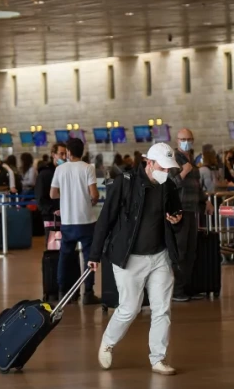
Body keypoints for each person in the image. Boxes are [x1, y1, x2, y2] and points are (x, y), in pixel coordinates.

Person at [89, 143, 183, 376]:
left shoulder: (167, 185)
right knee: (129, 308)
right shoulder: (126, 182)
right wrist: (94, 254)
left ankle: (158, 359)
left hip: (159, 256)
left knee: (162, 309)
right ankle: (108, 342)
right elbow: (106, 219)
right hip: (129, 257)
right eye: (162, 167)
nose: (166, 172)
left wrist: (176, 219)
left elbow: (176, 211)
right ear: (149, 163)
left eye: (169, 169)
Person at [50, 138, 100, 304]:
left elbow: (53, 194)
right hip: (86, 220)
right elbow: (94, 194)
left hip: (68, 221)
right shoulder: (88, 168)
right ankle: (88, 292)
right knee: (89, 257)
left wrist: (66, 195)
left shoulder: (60, 169)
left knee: (65, 256)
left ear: (69, 153)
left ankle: (62, 291)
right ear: (82, 151)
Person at [169, 129, 202, 302]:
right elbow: (171, 184)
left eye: (189, 139)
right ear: (177, 140)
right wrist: (184, 171)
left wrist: (206, 202)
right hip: (179, 212)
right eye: (183, 139)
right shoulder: (173, 160)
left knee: (191, 251)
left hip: (192, 210)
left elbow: (197, 185)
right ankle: (177, 290)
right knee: (180, 251)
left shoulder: (192, 160)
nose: (186, 142)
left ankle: (187, 287)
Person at [36, 142, 66, 227]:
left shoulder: (66, 172)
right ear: (54, 155)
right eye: (61, 154)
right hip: (52, 219)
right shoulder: (45, 174)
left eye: (66, 154)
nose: (64, 157)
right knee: (53, 240)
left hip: (67, 218)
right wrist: (52, 211)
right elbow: (40, 198)